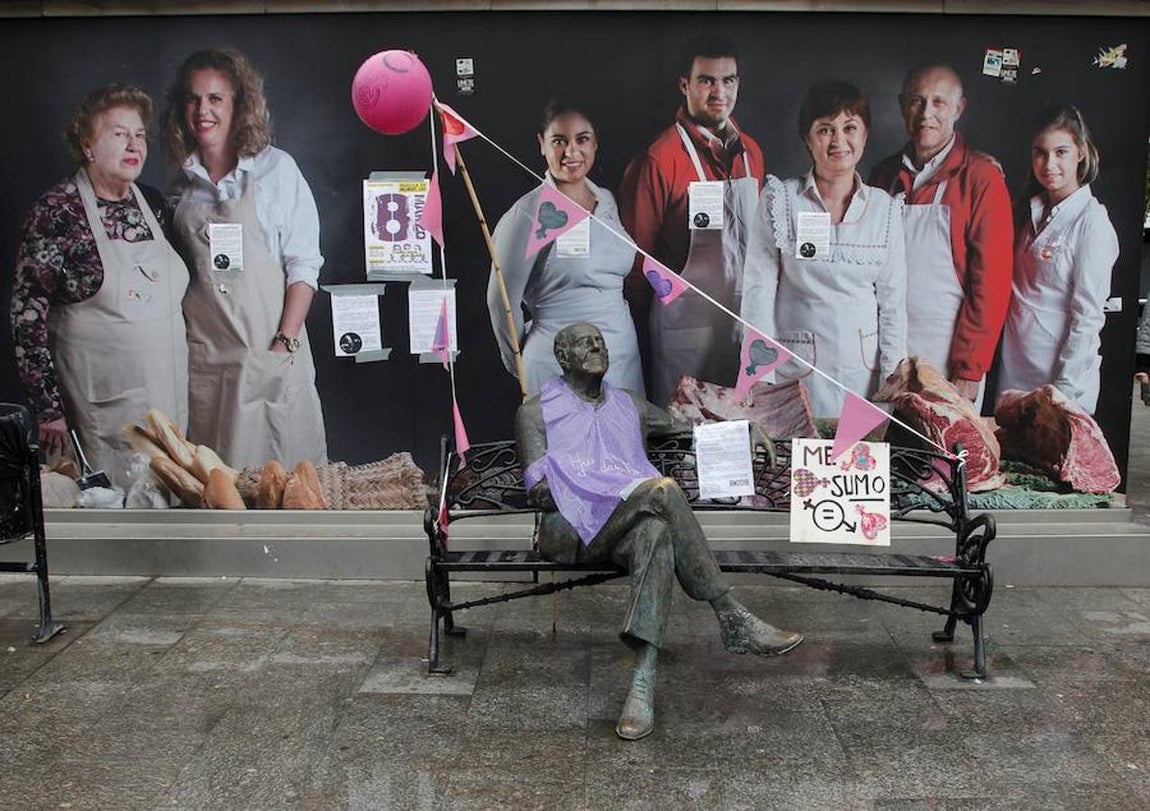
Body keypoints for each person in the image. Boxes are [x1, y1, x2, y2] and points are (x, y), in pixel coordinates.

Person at [515, 322, 802, 741]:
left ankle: (642, 684)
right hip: (570, 531)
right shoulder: (535, 411)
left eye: (600, 340)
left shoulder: (629, 404)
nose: (596, 346)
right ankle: (730, 614)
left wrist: (742, 429)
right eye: (584, 343)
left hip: (627, 524)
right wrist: (603, 486)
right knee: (662, 492)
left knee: (656, 534)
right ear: (562, 358)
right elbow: (538, 495)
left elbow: (687, 430)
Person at [10, 84, 189, 490]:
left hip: (168, 398)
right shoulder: (57, 211)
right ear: (88, 145)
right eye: (118, 133)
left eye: (140, 134)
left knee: (168, 499)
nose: (134, 144)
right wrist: (48, 409)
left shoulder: (153, 203)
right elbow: (27, 317)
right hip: (102, 408)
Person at [161, 48, 327, 469]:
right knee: (217, 488)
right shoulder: (180, 188)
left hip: (267, 355)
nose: (203, 111)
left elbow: (304, 267)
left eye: (216, 99)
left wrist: (283, 343)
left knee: (282, 482)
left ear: (239, 105)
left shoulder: (276, 172)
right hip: (208, 364)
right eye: (194, 99)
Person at [741, 81, 906, 417]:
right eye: (825, 130)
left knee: (857, 466)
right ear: (807, 137)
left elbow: (893, 307)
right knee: (796, 468)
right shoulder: (780, 200)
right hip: (796, 376)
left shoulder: (885, 209)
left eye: (850, 128)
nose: (839, 141)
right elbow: (757, 294)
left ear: (865, 134)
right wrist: (760, 377)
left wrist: (892, 384)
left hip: (865, 378)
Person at [619, 34, 765, 405]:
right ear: (684, 85)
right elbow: (636, 262)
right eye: (706, 80)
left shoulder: (752, 153)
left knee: (742, 431)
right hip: (683, 328)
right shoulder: (659, 159)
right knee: (685, 439)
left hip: (741, 322)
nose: (719, 92)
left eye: (728, 80)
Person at [869, 63, 1012, 410]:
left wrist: (970, 369)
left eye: (938, 103)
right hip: (881, 348)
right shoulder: (882, 174)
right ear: (902, 105)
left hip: (947, 355)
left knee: (940, 460)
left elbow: (990, 286)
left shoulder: (981, 179)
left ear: (959, 108)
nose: (926, 114)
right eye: (917, 102)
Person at [488, 102, 643, 396]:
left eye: (582, 140)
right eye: (559, 141)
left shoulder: (607, 201)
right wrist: (519, 363)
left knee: (624, 439)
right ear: (541, 144)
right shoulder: (527, 214)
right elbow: (500, 301)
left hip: (622, 359)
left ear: (595, 142)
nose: (571, 153)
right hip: (558, 367)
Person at [996, 105, 1119, 415]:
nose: (1050, 164)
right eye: (1040, 153)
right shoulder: (1030, 211)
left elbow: (1088, 319)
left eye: (1061, 152)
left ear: (1080, 152)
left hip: (1059, 385)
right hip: (1014, 375)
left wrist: (1062, 392)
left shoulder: (1092, 223)